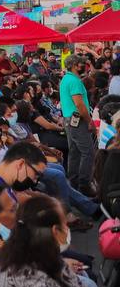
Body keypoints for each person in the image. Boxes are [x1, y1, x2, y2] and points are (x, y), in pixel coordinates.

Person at [60, 54, 96, 193]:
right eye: (82, 64)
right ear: (75, 65)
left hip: (70, 120)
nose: (84, 67)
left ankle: (74, 183)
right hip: (77, 121)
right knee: (88, 152)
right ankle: (84, 185)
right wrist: (90, 121)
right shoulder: (74, 81)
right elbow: (79, 105)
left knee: (75, 152)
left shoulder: (66, 78)